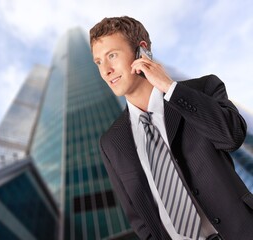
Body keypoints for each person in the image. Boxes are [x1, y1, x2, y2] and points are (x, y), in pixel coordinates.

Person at [90, 16, 253, 240]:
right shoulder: (111, 141)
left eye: (112, 55)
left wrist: (169, 88)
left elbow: (231, 136)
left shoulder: (203, 89)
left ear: (141, 51)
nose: (106, 70)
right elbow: (138, 216)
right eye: (98, 61)